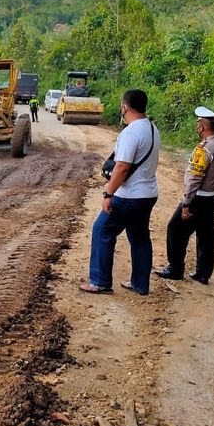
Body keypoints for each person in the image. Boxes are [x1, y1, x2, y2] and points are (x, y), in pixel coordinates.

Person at [79, 89, 160, 296]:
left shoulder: (130, 132)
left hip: (129, 196)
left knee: (102, 230)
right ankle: (140, 284)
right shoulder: (152, 129)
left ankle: (100, 281)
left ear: (125, 107)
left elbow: (122, 167)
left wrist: (108, 194)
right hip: (148, 194)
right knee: (140, 237)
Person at [155, 106, 214, 285]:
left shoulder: (203, 149)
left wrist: (187, 203)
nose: (197, 127)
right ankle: (203, 273)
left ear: (202, 127)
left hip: (200, 198)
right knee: (206, 233)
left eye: (198, 124)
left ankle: (175, 268)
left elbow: (195, 178)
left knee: (175, 229)